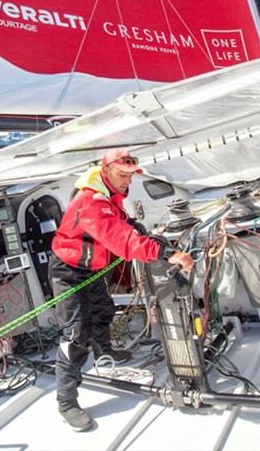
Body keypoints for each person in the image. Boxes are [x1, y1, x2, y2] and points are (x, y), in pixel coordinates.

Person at [48, 148, 193, 431]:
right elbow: (122, 241)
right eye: (122, 174)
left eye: (130, 176)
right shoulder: (92, 201)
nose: (128, 181)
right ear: (106, 170)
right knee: (75, 334)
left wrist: (148, 233)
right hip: (67, 271)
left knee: (104, 309)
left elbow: (124, 224)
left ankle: (105, 351)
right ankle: (66, 401)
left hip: (89, 269)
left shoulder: (108, 195)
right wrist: (166, 254)